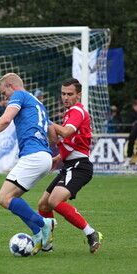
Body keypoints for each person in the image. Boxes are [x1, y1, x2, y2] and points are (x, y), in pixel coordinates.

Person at [0, 72, 56, 253]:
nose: (3, 97)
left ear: (11, 86)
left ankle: (44, 223)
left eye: (3, 92)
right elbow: (52, 132)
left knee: (3, 198)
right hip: (44, 157)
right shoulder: (39, 104)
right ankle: (38, 235)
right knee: (14, 199)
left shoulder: (19, 95)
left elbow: (6, 119)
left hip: (33, 156)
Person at [37, 79, 103, 253]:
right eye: (63, 94)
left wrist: (47, 122)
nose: (65, 97)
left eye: (70, 94)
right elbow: (71, 142)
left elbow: (65, 132)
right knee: (43, 204)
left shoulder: (77, 111)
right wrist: (58, 157)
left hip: (79, 166)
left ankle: (91, 233)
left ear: (79, 95)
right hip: (70, 165)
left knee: (55, 201)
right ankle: (47, 244)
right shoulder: (69, 114)